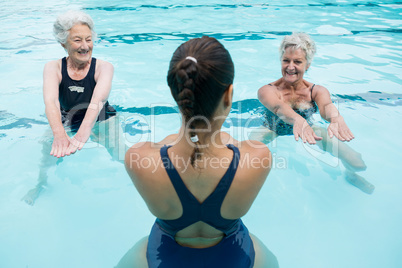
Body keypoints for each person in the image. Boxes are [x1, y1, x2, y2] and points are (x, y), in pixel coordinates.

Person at [122, 36, 279, 268]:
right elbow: (228, 144)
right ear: (229, 94)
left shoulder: (138, 158)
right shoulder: (258, 157)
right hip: (235, 256)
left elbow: (171, 145)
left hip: (163, 257)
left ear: (175, 91)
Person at [22, 10, 124, 205]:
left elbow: (98, 101)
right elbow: (51, 102)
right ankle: (40, 184)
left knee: (121, 154)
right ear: (63, 43)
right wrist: (59, 133)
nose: (85, 46)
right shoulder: (53, 68)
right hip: (66, 118)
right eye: (77, 40)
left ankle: (142, 183)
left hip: (102, 117)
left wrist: (85, 132)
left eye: (88, 39)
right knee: (47, 156)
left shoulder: (104, 67)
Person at [253, 32, 374, 194]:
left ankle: (350, 175)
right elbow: (278, 108)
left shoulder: (316, 90)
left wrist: (335, 118)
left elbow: (326, 107)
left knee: (357, 163)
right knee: (243, 158)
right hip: (272, 129)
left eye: (297, 62)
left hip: (310, 130)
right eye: (286, 61)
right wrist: (298, 120)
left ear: (307, 64)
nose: (290, 67)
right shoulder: (267, 90)